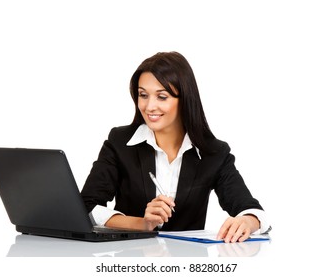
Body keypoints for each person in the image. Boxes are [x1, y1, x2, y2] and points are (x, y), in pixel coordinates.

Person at [81, 51, 271, 243]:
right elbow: (86, 207)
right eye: (143, 95)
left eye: (162, 97)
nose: (149, 106)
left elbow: (252, 210)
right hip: (131, 259)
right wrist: (143, 224)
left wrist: (248, 220)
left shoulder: (213, 153)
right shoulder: (120, 142)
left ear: (185, 100)